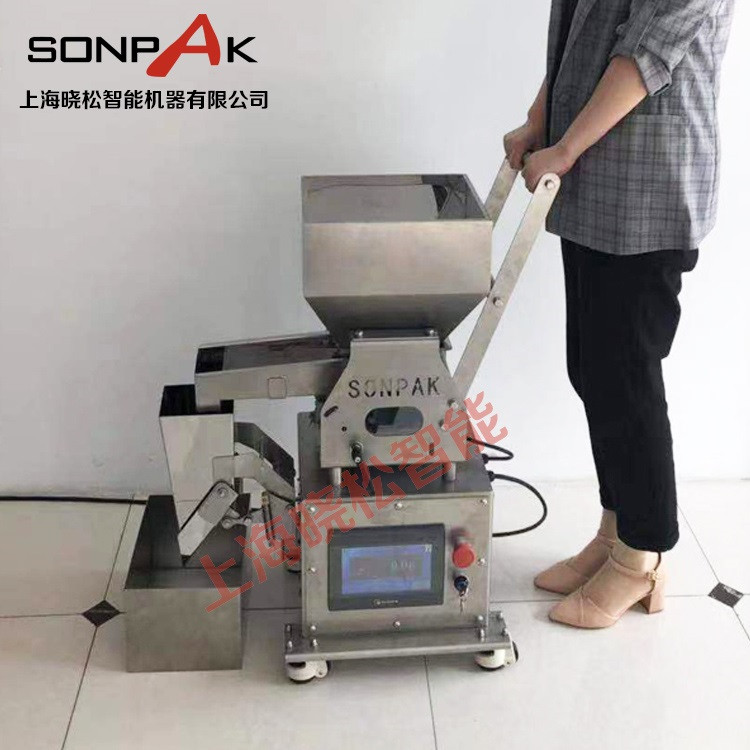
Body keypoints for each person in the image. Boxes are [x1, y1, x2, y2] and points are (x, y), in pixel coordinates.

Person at [504, 0, 735, 628]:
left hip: (648, 186)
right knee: (592, 370)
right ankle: (616, 532)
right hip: (592, 180)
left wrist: (564, 147)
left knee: (627, 379)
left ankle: (643, 558)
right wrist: (538, 121)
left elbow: (645, 55)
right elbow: (580, 38)